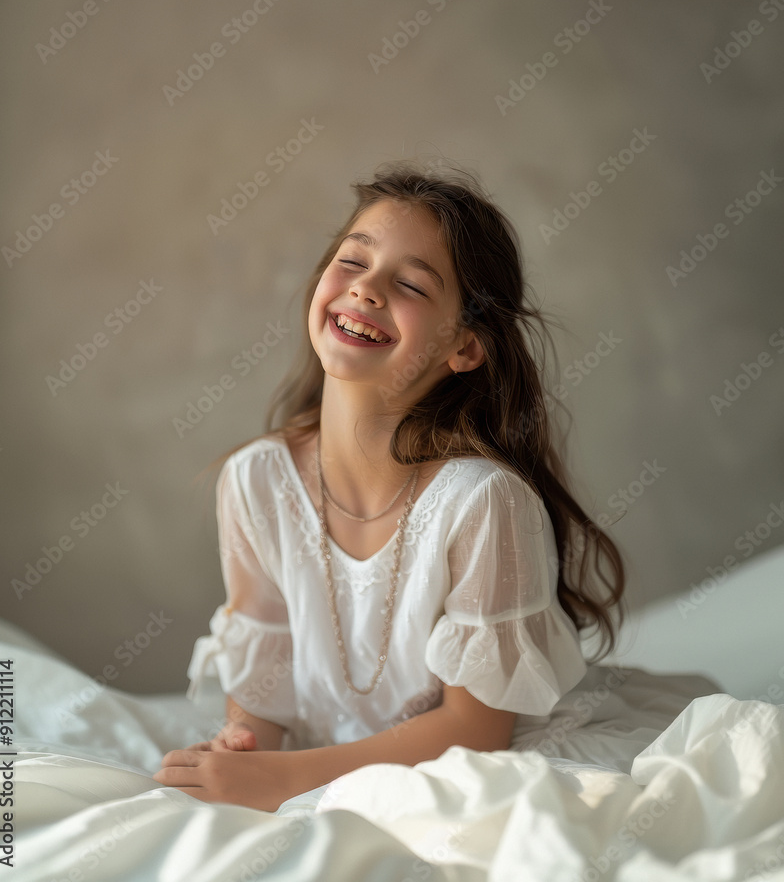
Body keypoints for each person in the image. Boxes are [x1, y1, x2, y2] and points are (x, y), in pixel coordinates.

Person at [153, 159, 628, 811]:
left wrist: (286, 780)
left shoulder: (483, 503)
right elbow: (263, 681)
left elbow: (477, 732)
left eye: (410, 283)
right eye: (353, 261)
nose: (367, 289)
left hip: (469, 773)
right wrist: (244, 750)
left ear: (463, 347)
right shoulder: (257, 480)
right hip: (327, 767)